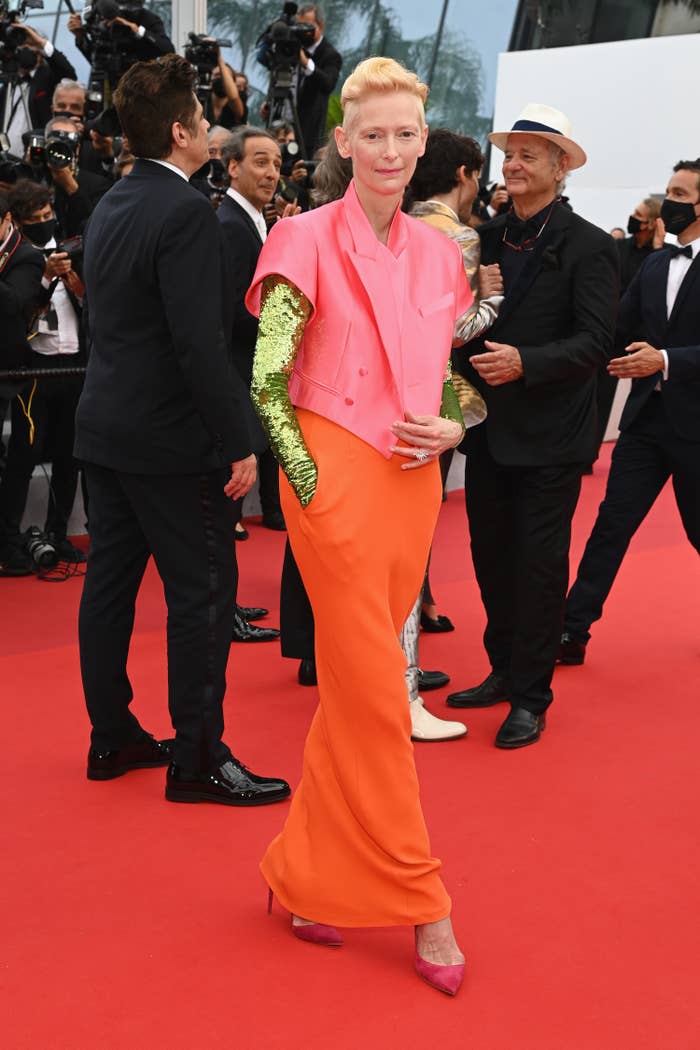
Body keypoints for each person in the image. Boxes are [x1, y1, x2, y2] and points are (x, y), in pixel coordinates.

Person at [246, 57, 474, 994]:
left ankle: (301, 877)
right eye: (370, 134)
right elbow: (267, 382)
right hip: (330, 476)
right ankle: (427, 903)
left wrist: (461, 422)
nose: (388, 150)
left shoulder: (441, 253)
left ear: (424, 143)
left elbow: (454, 373)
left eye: (404, 135)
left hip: (414, 482)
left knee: (354, 686)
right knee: (383, 687)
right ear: (342, 142)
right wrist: (311, 492)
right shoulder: (301, 237)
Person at [74, 54, 290, 806]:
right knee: (200, 596)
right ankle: (197, 758)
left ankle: (113, 736)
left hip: (105, 429)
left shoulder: (112, 203)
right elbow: (198, 343)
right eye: (201, 117)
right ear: (180, 132)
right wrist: (239, 440)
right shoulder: (184, 213)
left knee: (108, 588)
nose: (209, 125)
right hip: (171, 444)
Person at [445, 103, 619, 748]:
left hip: (551, 435)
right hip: (489, 428)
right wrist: (475, 308)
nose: (512, 165)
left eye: (528, 156)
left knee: (539, 565)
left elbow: (596, 343)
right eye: (509, 155)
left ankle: (531, 694)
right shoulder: (483, 240)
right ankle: (502, 668)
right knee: (490, 555)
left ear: (559, 167)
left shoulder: (591, 246)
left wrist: (527, 362)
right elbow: (456, 335)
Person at [560, 159, 700, 665]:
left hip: (695, 428)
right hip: (645, 424)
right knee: (611, 524)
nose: (671, 202)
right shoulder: (656, 265)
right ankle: (572, 630)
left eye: (681, 192)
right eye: (668, 191)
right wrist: (558, 348)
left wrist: (663, 359)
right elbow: (615, 329)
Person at [217, 125, 291, 642]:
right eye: (261, 162)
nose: (272, 173)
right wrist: (287, 322)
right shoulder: (228, 226)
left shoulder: (254, 224)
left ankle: (229, 606)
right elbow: (230, 315)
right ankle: (223, 613)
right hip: (234, 378)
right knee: (225, 507)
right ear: (233, 167)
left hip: (249, 377)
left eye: (278, 165)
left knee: (231, 508)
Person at [0, 180, 86, 574]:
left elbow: (90, 304)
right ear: (15, 222)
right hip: (35, 369)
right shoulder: (20, 261)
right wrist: (45, 278)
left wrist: (70, 279)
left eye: (47, 216)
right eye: (33, 220)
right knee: (24, 455)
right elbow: (20, 313)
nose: (42, 223)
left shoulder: (73, 250)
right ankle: (10, 539)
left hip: (74, 365)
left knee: (71, 456)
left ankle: (58, 533)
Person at [0, 23, 77, 158]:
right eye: (21, 47)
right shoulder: (7, 81)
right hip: (4, 158)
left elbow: (69, 74)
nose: (24, 50)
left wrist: (40, 43)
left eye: (29, 47)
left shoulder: (46, 77)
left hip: (32, 158)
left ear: (39, 54)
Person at [41, 116, 111, 237]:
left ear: (77, 149)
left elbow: (96, 228)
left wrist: (72, 189)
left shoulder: (98, 185)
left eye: (67, 145)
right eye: (55, 144)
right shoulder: (33, 178)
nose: (60, 151)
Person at [293, 3, 342, 156]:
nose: (302, 31)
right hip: (283, 128)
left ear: (320, 26)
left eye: (306, 26)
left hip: (307, 133)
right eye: (298, 26)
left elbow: (328, 83)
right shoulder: (292, 47)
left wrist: (306, 62)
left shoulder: (330, 55)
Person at [204, 53, 246, 130]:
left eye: (224, 76)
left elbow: (233, 98)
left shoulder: (239, 103)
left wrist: (219, 58)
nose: (221, 79)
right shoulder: (203, 101)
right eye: (217, 75)